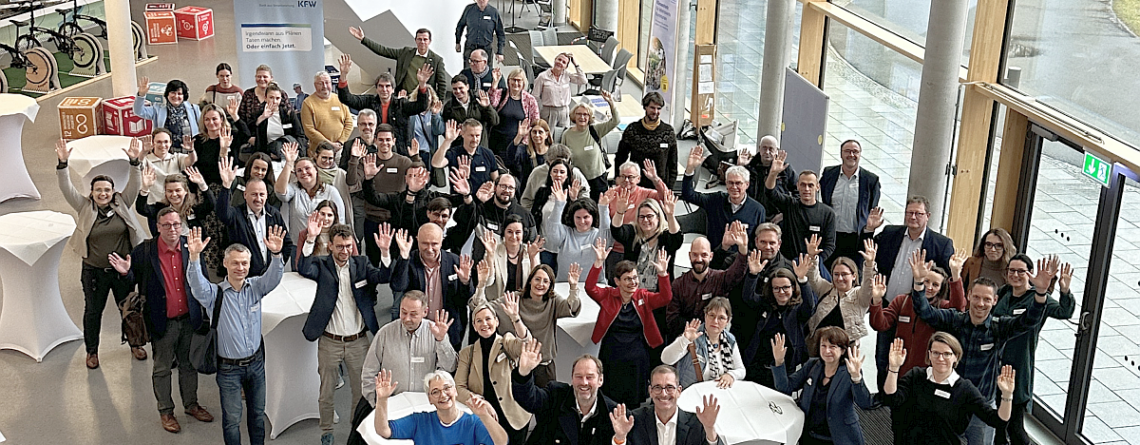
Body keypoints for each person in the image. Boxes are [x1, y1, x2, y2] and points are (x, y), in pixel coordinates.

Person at [909, 250, 1054, 445]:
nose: (980, 303)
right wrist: (919, 283)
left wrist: (1041, 293)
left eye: (987, 299)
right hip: (951, 400)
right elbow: (925, 311)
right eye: (976, 297)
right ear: (969, 296)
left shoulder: (998, 327)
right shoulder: (954, 320)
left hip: (982, 405)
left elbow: (1027, 321)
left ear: (995, 301)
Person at [108, 208, 215, 433]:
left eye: (176, 224)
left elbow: (203, 280)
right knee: (162, 368)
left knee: (188, 365)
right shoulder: (145, 251)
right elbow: (130, 283)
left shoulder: (190, 247)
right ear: (157, 227)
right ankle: (166, 411)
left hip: (189, 319)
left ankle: (191, 405)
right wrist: (126, 273)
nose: (172, 229)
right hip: (162, 322)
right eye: (166, 225)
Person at [185, 226, 286, 445]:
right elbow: (196, 285)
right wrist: (194, 258)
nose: (240, 268)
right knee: (232, 420)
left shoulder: (256, 287)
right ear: (225, 264)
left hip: (256, 364)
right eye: (235, 263)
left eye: (244, 263)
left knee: (257, 416)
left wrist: (277, 255)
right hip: (229, 369)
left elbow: (274, 278)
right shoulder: (214, 294)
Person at [296, 223, 394, 445]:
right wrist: (310, 239)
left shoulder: (362, 264)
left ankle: (355, 429)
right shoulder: (321, 265)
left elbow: (384, 276)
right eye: (340, 246)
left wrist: (385, 252)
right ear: (330, 246)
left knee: (361, 391)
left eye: (349, 246)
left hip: (358, 341)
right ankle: (326, 431)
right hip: (329, 341)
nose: (345, 251)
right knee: (327, 391)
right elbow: (303, 267)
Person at [55, 137, 148, 369]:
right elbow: (66, 188)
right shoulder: (84, 207)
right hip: (94, 272)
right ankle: (92, 351)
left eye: (107, 190)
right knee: (93, 311)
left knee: (129, 308)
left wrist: (134, 162)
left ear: (113, 191)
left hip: (122, 272)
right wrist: (63, 164)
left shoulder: (122, 202)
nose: (103, 193)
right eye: (98, 190)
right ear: (92, 192)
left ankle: (135, 343)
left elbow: (135, 184)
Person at [863, 195, 955, 394]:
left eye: (918, 213)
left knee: (912, 361)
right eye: (909, 213)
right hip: (890, 305)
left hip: (918, 313)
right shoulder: (890, 233)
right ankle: (883, 398)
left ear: (928, 216)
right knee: (883, 358)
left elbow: (947, 281)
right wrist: (869, 230)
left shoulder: (942, 244)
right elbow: (868, 251)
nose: (913, 217)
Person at [348, 290, 459, 445]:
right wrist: (379, 406)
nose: (407, 318)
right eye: (403, 312)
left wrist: (441, 340)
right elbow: (368, 373)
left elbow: (450, 367)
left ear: (425, 312)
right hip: (391, 407)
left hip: (425, 408)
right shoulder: (385, 334)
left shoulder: (435, 332)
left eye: (413, 314)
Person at [992, 254, 1075, 445]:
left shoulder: (1037, 298)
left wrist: (1064, 290)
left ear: (1030, 273)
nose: (1015, 275)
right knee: (997, 423)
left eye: (1021, 271)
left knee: (1014, 425)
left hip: (1019, 366)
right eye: (1012, 270)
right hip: (995, 363)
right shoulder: (1004, 293)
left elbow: (1064, 312)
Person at [883, 333, 1015, 445]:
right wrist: (894, 368)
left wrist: (1007, 395)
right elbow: (891, 399)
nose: (940, 358)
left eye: (946, 354)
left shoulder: (965, 390)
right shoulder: (915, 376)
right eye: (936, 353)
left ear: (955, 357)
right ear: (929, 355)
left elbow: (997, 420)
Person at [586, 240, 673, 408]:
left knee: (633, 402)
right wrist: (598, 263)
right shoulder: (608, 295)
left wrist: (663, 274)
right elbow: (590, 288)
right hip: (612, 353)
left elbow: (666, 298)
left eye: (635, 278)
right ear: (617, 281)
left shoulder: (644, 296)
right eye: (627, 279)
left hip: (636, 356)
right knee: (610, 398)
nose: (633, 282)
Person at [471, 255, 580, 387]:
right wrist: (481, 285)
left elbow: (572, 308)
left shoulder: (553, 301)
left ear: (550, 285)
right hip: (517, 365)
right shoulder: (514, 298)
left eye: (545, 281)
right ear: (530, 281)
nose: (540, 284)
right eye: (537, 279)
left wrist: (573, 288)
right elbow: (482, 308)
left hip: (543, 366)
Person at [869, 247, 968, 386]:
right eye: (926, 281)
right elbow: (880, 324)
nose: (929, 287)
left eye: (935, 284)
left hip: (928, 375)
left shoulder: (943, 307)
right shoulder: (902, 301)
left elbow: (958, 309)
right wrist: (876, 300)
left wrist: (956, 274)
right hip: (900, 370)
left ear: (941, 288)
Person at [771, 327, 875, 445]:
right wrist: (779, 362)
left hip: (838, 438)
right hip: (808, 434)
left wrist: (856, 378)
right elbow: (785, 387)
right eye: (823, 346)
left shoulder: (849, 372)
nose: (827, 351)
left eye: (832, 347)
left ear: (842, 350)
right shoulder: (812, 365)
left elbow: (865, 403)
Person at [456, 298, 532, 444]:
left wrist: (515, 318)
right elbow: (458, 388)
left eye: (488, 319)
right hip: (485, 418)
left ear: (496, 322)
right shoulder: (467, 353)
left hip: (513, 418)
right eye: (479, 321)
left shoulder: (506, 342)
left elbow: (525, 344)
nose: (484, 324)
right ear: (474, 326)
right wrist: (481, 402)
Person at [390, 223, 475, 351]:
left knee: (449, 363)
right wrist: (404, 257)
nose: (429, 249)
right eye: (425, 243)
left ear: (442, 241)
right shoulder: (409, 260)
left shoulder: (455, 262)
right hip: (417, 328)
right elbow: (398, 286)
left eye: (434, 244)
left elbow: (465, 300)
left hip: (449, 329)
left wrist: (465, 282)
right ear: (417, 240)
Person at [512, 345, 617, 445]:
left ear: (600, 380)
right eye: (579, 376)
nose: (584, 382)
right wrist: (524, 373)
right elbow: (529, 398)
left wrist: (620, 439)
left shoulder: (612, 413)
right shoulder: (555, 395)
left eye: (589, 377)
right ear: (572, 378)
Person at [371, 369, 508, 445]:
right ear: (430, 399)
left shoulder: (472, 422)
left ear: (455, 391)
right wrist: (382, 400)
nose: (443, 395)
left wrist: (484, 416)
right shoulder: (419, 421)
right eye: (435, 392)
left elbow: (502, 442)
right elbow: (384, 431)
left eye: (447, 388)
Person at [683, 146, 766, 267]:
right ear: (726, 184)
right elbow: (689, 195)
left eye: (738, 183)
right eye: (730, 183)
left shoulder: (758, 210)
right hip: (715, 261)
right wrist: (690, 169)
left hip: (741, 263)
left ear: (747, 185)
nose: (734, 187)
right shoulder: (715, 200)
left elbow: (758, 242)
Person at [741, 256, 818, 387]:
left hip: (786, 369)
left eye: (785, 287)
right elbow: (748, 297)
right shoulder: (765, 304)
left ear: (793, 288)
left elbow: (809, 306)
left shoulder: (798, 310)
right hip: (759, 367)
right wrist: (753, 275)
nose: (781, 292)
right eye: (776, 288)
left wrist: (802, 279)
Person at [336, 54, 432, 156]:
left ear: (393, 89)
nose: (384, 89)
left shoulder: (401, 105)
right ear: (376, 89)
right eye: (381, 86)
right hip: (374, 151)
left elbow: (422, 105)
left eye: (387, 86)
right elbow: (347, 99)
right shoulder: (369, 102)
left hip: (399, 152)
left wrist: (422, 84)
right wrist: (343, 76)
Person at [216, 158, 296, 277]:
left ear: (267, 195)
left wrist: (277, 265)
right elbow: (222, 213)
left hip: (269, 276)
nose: (258, 199)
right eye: (253, 194)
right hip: (244, 278)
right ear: (245, 195)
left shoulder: (274, 214)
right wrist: (226, 186)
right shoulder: (236, 214)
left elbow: (287, 243)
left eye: (261, 194)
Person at [346, 125, 415, 262]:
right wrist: (354, 159)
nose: (385, 143)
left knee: (396, 261)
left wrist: (416, 157)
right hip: (373, 218)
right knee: (373, 260)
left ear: (394, 141)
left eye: (388, 140)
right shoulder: (367, 161)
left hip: (396, 219)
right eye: (381, 140)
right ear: (375, 141)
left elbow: (420, 180)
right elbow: (351, 181)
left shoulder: (404, 162)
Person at [609, 365, 725, 445]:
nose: (664, 394)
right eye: (657, 387)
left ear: (679, 391)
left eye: (669, 387)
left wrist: (710, 429)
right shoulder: (635, 420)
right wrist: (620, 438)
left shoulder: (697, 423)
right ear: (650, 391)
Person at [664, 231, 749, 339]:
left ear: (711, 256)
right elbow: (672, 319)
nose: (699, 259)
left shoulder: (720, 279)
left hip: (713, 339)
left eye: (704, 255)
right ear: (689, 256)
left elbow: (737, 272)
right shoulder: (678, 284)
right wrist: (695, 330)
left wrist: (743, 249)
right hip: (685, 338)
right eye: (695, 255)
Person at [765, 149, 836, 263]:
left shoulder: (828, 213)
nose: (806, 189)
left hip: (813, 263)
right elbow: (770, 192)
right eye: (803, 185)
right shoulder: (790, 204)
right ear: (797, 186)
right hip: (788, 263)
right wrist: (773, 174)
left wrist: (815, 261)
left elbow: (830, 245)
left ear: (817, 187)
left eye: (810, 185)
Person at [731, 223, 794, 350]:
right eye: (763, 242)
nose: (767, 247)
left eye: (772, 243)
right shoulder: (741, 260)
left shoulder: (789, 268)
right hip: (741, 327)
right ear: (756, 241)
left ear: (779, 243)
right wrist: (725, 247)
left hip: (770, 334)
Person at [601, 160, 670, 276]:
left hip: (637, 248)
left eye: (630, 177)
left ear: (638, 179)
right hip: (614, 248)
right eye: (623, 176)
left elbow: (666, 197)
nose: (626, 180)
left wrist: (655, 179)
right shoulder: (611, 194)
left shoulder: (646, 194)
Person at [803, 236, 876, 344]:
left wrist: (869, 264)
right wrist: (812, 257)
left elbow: (868, 285)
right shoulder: (826, 288)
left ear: (854, 276)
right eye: (836, 274)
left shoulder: (860, 295)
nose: (840, 278)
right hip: (817, 344)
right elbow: (813, 277)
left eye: (844, 274)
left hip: (846, 348)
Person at [819, 140, 880, 268]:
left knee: (852, 273)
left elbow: (871, 208)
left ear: (860, 154)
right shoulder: (829, 173)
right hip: (831, 237)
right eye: (847, 151)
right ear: (841, 154)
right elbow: (823, 199)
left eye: (855, 152)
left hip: (855, 239)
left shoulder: (870, 180)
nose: (851, 155)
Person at [661, 297, 745, 388]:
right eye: (712, 315)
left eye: (721, 318)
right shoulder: (693, 335)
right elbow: (666, 359)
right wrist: (684, 340)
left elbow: (741, 370)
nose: (715, 321)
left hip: (717, 393)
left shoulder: (730, 340)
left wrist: (731, 375)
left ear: (727, 321)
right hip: (690, 393)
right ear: (705, 316)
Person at [350, 26, 451, 99]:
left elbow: (442, 85)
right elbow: (383, 51)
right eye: (420, 39)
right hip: (403, 96)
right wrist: (363, 39)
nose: (422, 42)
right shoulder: (406, 53)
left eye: (425, 39)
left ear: (430, 41)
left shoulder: (437, 60)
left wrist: (439, 103)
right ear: (415, 40)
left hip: (423, 99)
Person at [608, 191, 683, 288]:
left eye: (649, 216)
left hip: (660, 290)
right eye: (642, 217)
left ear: (658, 217)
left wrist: (670, 215)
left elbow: (676, 238)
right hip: (632, 290)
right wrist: (620, 212)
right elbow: (616, 230)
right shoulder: (632, 232)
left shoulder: (665, 236)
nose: (645, 220)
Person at [275, 142, 347, 244]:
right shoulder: (294, 189)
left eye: (307, 168)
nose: (304, 172)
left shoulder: (331, 191)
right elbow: (280, 192)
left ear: (316, 170)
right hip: (298, 244)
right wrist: (289, 163)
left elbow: (340, 220)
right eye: (299, 170)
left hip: (323, 245)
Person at [544, 186, 611, 282]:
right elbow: (553, 232)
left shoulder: (597, 235)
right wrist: (559, 204)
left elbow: (606, 232)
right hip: (564, 284)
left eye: (586, 217)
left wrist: (603, 208)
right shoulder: (566, 233)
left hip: (594, 286)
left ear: (593, 217)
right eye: (578, 217)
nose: (582, 221)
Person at [562, 91, 619, 202]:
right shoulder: (567, 135)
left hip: (598, 179)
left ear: (590, 117)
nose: (582, 117)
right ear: (574, 116)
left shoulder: (595, 130)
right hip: (579, 180)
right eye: (579, 114)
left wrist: (611, 103)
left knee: (600, 206)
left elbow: (616, 121)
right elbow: (564, 159)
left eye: (585, 114)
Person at [615, 92, 678, 189]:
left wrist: (669, 189)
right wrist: (618, 180)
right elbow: (620, 157)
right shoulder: (632, 130)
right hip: (635, 186)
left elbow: (673, 164)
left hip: (659, 186)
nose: (655, 111)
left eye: (658, 108)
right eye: (652, 108)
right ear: (645, 107)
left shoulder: (668, 132)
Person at [137, 168, 215, 236]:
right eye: (169, 191)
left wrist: (202, 184)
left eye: (178, 190)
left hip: (193, 245)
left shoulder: (193, 208)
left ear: (186, 191)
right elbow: (141, 209)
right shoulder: (160, 209)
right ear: (165, 193)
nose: (174, 194)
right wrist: (145, 187)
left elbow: (211, 204)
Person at [135, 77, 202, 151]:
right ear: (167, 94)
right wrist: (141, 94)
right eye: (173, 93)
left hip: (189, 152)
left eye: (179, 94)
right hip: (165, 152)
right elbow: (139, 111)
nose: (176, 96)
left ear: (184, 96)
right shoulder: (157, 109)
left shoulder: (194, 109)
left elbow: (203, 128)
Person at [434, 119, 500, 194]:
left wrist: (491, 189)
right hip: (459, 199)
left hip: (483, 198)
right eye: (471, 135)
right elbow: (436, 163)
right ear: (462, 134)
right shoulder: (454, 153)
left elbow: (496, 179)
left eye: (477, 135)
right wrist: (447, 141)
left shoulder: (488, 153)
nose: (474, 139)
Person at [488, 69, 540, 161]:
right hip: (497, 141)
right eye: (514, 80)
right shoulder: (501, 93)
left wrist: (526, 142)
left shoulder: (530, 100)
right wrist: (495, 83)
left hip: (517, 144)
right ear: (509, 81)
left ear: (523, 83)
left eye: (519, 80)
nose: (516, 83)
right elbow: (492, 103)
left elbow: (535, 122)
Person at [520, 144, 592, 209]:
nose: (558, 174)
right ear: (548, 161)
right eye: (555, 168)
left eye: (562, 171)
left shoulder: (575, 173)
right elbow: (527, 199)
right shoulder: (537, 173)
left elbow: (585, 191)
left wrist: (577, 202)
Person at [301, 71, 354, 157]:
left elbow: (349, 123)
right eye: (320, 83)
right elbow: (309, 130)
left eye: (327, 82)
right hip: (318, 153)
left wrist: (340, 142)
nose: (324, 86)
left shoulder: (340, 99)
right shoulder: (308, 103)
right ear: (315, 85)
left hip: (340, 150)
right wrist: (330, 144)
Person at [743, 135, 796, 219]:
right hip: (753, 214)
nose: (767, 152)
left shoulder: (785, 169)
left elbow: (798, 192)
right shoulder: (749, 169)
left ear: (776, 150)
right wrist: (739, 167)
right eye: (764, 148)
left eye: (771, 149)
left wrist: (786, 213)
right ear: (759, 148)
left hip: (777, 216)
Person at [250, 82, 305, 161]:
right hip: (268, 154)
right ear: (265, 98)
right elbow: (251, 133)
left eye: (277, 98)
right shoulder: (258, 114)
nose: (274, 101)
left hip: (290, 151)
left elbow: (300, 135)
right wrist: (262, 117)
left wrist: (297, 152)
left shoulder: (288, 113)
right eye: (271, 98)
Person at [531, 52, 587, 127]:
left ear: (566, 67)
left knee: (564, 133)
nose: (560, 62)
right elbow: (535, 96)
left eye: (564, 62)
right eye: (559, 59)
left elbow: (583, 81)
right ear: (555, 60)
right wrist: (537, 113)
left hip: (564, 111)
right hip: (548, 111)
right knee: (548, 133)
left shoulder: (567, 75)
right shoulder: (542, 77)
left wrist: (576, 65)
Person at [141, 128, 197, 204]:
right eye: (159, 142)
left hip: (175, 202)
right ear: (153, 143)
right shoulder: (146, 160)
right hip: (154, 203)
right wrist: (143, 152)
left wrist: (191, 150)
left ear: (170, 143)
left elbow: (191, 160)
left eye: (166, 142)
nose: (163, 145)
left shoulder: (176, 157)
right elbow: (137, 164)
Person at [441, 76, 501, 146]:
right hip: (459, 146)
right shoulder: (449, 106)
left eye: (460, 88)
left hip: (480, 145)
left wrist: (487, 107)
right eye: (455, 89)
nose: (458, 91)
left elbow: (495, 121)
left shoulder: (478, 101)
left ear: (467, 87)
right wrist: (457, 131)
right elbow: (446, 130)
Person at [455, 0, 506, 68]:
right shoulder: (468, 10)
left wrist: (500, 52)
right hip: (470, 48)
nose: (481, 0)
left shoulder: (494, 12)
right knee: (468, 72)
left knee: (487, 72)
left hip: (486, 49)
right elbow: (460, 26)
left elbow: (500, 34)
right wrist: (458, 42)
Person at [238, 64, 288, 131]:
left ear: (271, 78)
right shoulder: (248, 94)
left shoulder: (281, 94)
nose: (262, 79)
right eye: (259, 76)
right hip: (251, 132)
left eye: (265, 77)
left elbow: (289, 114)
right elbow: (242, 117)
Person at [507, 118, 552, 191]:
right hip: (528, 190)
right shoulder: (524, 150)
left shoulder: (553, 152)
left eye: (540, 132)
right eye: (534, 132)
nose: (537, 135)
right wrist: (519, 136)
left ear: (546, 134)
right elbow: (511, 156)